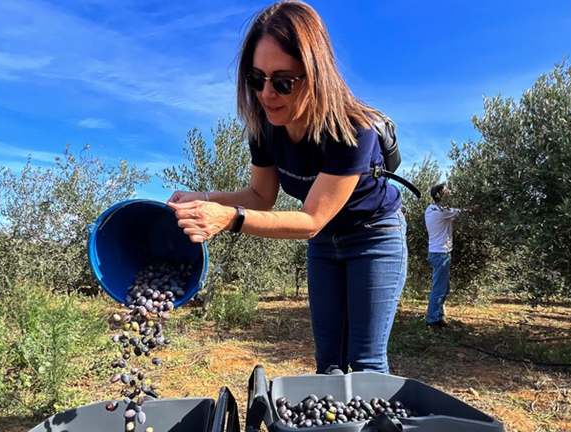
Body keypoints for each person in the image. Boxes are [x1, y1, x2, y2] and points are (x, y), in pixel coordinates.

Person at [167, 0, 407, 374]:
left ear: (315, 75)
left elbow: (311, 218)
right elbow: (261, 196)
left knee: (365, 364)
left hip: (374, 236)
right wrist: (205, 199)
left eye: (282, 81)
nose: (266, 94)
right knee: (328, 364)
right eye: (255, 78)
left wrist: (228, 218)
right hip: (325, 244)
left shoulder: (353, 130)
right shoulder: (265, 126)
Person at [424, 183, 466, 334]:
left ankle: (439, 316)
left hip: (436, 253)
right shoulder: (443, 211)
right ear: (442, 195)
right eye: (449, 191)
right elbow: (466, 213)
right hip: (441, 254)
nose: (452, 192)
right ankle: (432, 320)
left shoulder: (430, 208)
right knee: (439, 288)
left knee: (443, 287)